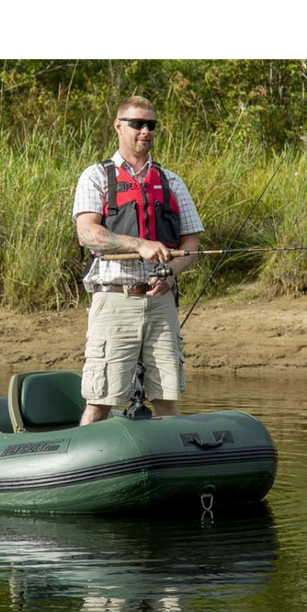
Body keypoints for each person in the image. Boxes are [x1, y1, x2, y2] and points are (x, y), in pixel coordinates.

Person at [72, 96, 203, 425]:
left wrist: (170, 273)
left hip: (161, 304)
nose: (146, 131)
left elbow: (192, 244)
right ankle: (85, 467)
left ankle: (174, 465)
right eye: (138, 124)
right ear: (119, 126)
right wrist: (138, 244)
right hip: (115, 299)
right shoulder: (96, 177)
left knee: (166, 396)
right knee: (101, 398)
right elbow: (87, 232)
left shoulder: (171, 181)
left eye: (152, 125)